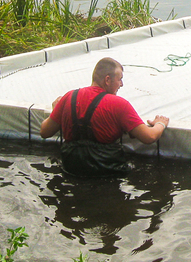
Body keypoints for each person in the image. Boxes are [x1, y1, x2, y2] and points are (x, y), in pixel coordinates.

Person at [40, 57, 169, 177]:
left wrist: (55, 110)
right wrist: (160, 124)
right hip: (107, 174)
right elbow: (149, 137)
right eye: (120, 79)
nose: (122, 84)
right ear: (107, 80)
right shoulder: (119, 104)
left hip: (71, 171)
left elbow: (44, 132)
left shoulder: (69, 97)